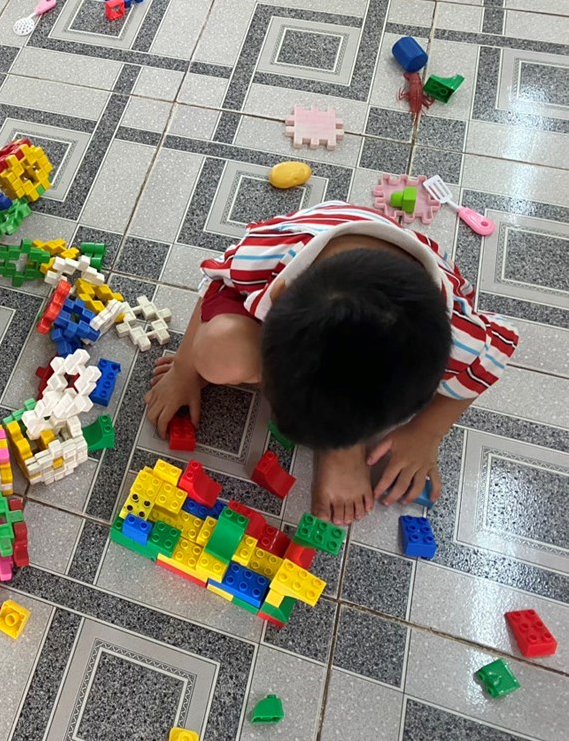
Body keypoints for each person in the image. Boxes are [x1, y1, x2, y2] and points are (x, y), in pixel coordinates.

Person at [145, 201, 518, 525]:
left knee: (341, 379)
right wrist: (183, 369)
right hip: (309, 258)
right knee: (215, 353)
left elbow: (495, 355)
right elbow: (218, 280)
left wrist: (425, 434)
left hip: (383, 287)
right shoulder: (267, 252)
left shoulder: (461, 337)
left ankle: (342, 451)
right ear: (278, 297)